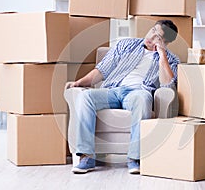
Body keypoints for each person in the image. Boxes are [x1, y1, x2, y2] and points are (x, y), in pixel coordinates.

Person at [68, 20, 180, 174]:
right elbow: (101, 71)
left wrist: (162, 55)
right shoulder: (126, 45)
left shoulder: (171, 60)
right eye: (152, 30)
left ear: (165, 42)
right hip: (113, 90)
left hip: (137, 93)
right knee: (85, 97)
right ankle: (87, 157)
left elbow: (167, 85)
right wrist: (79, 82)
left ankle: (134, 158)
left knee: (143, 99)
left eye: (158, 37)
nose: (151, 36)